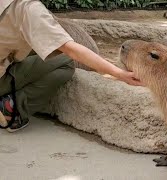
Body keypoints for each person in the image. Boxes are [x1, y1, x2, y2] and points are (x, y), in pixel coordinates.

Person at [0, 0, 143, 133]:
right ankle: (11, 108)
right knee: (66, 62)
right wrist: (118, 73)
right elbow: (72, 51)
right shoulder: (29, 10)